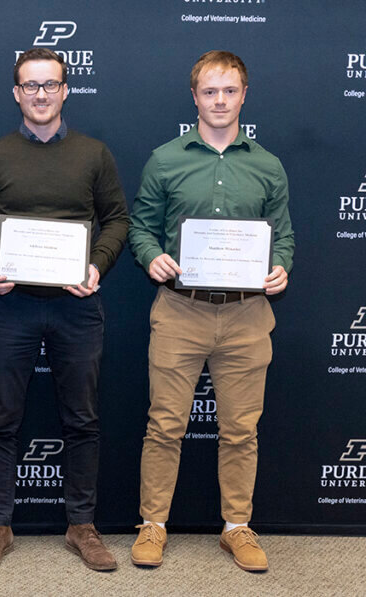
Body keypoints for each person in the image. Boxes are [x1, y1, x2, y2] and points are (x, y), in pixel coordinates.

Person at [0, 48, 129, 572]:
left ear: (65, 90)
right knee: (2, 419)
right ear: (16, 93)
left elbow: (117, 219)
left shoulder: (95, 154)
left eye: (50, 84)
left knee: (83, 420)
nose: (40, 94)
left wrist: (97, 265)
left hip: (77, 309)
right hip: (11, 309)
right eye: (30, 85)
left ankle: (82, 526)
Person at [128, 51, 293, 572]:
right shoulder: (165, 159)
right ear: (194, 97)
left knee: (242, 429)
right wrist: (151, 255)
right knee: (165, 425)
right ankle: (152, 524)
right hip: (180, 311)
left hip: (247, 316)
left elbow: (281, 235)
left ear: (243, 95)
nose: (219, 101)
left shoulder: (268, 166)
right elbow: (140, 227)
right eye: (209, 92)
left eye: (229, 91)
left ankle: (236, 527)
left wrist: (281, 266)